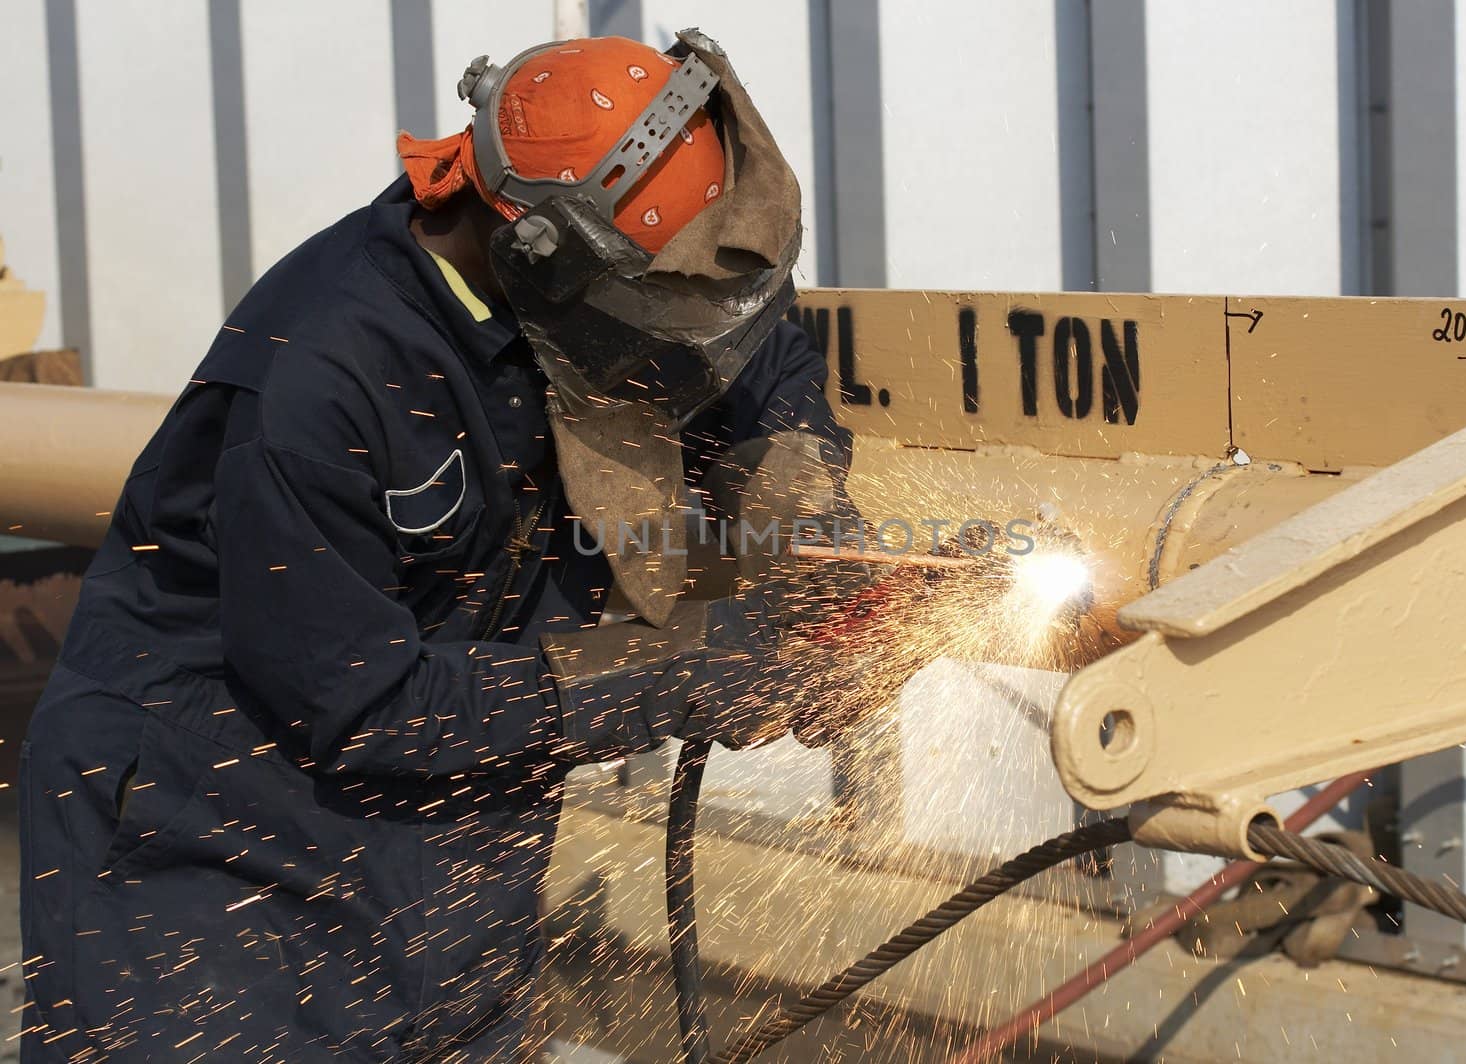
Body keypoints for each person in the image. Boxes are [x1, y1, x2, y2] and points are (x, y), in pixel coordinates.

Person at [19, 31, 880, 1061]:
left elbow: (748, 343)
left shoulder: (614, 270)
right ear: (538, 251)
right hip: (212, 868)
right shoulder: (322, 376)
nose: (676, 348)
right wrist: (681, 670)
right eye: (653, 318)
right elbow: (370, 704)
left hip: (456, 860)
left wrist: (810, 543)